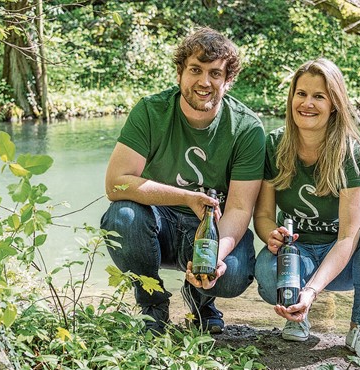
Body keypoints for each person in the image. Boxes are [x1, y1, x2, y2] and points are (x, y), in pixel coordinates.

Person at [100, 27, 265, 335]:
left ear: (228, 81)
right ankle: (153, 304)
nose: (204, 82)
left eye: (215, 74)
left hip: (211, 228)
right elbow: (116, 184)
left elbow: (241, 208)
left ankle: (201, 301)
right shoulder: (151, 111)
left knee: (235, 274)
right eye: (195, 70)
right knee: (122, 216)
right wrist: (185, 197)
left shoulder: (247, 128)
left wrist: (213, 259)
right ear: (180, 73)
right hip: (157, 223)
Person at [253, 58, 360, 366]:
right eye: (301, 94)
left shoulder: (351, 152)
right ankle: (296, 314)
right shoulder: (275, 143)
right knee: (265, 272)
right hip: (297, 256)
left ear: (334, 104)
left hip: (343, 261)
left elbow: (348, 237)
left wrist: (313, 291)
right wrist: (271, 235)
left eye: (319, 96)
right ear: (291, 97)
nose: (307, 103)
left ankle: (359, 327)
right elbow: (263, 215)